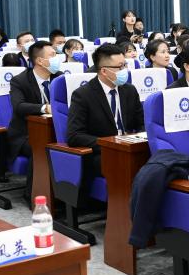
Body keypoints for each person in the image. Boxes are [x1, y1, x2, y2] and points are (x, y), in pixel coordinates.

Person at [66, 44, 145, 179]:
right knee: (127, 167)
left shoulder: (130, 90)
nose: (124, 70)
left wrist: (137, 140)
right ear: (104, 71)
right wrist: (110, 144)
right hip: (102, 153)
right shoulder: (83, 95)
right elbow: (74, 135)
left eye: (125, 65)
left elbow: (142, 123)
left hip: (131, 148)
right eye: (120, 67)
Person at [8, 41, 61, 188]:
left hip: (55, 131)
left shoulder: (59, 78)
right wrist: (45, 108)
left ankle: (64, 191)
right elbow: (19, 106)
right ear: (39, 61)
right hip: (26, 134)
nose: (57, 58)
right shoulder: (20, 81)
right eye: (52, 55)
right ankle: (35, 191)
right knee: (40, 147)